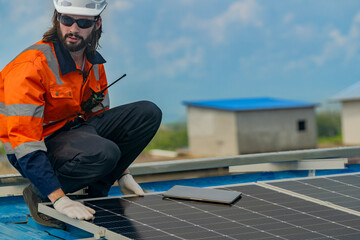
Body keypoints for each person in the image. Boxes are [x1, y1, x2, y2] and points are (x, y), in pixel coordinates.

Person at [0, 0, 162, 229]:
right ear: (57, 18)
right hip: (35, 148)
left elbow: (100, 118)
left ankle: (95, 193)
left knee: (148, 112)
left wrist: (123, 172)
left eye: (83, 22)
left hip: (74, 135)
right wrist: (58, 198)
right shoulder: (31, 66)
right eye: (67, 20)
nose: (73, 29)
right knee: (105, 152)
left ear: (97, 24)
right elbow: (24, 141)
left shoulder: (93, 63)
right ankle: (39, 194)